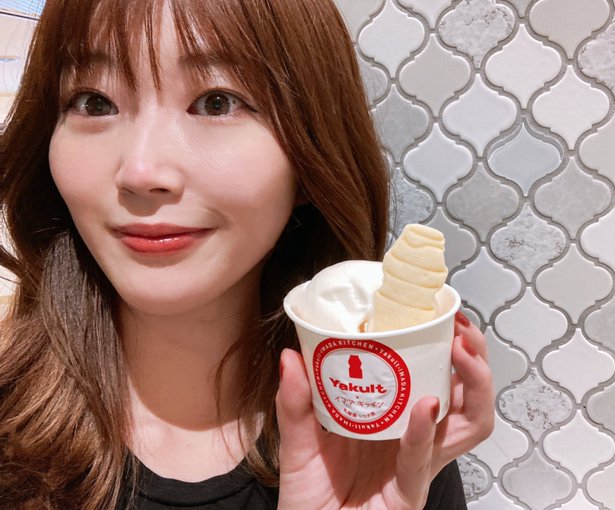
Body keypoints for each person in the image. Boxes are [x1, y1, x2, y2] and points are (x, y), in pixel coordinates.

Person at [0, 0, 495, 508]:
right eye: (94, 103)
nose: (141, 172)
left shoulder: (380, 436)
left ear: (310, 158)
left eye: (217, 102)